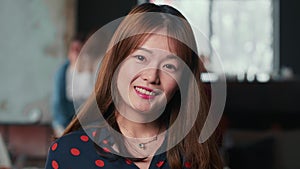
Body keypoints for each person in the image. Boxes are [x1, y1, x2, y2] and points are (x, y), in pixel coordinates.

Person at [45, 3, 223, 169]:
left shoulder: (197, 157)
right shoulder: (69, 154)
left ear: (182, 82)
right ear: (117, 63)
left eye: (169, 66)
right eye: (141, 58)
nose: (152, 76)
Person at [51, 34, 89, 137]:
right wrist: (68, 127)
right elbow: (58, 104)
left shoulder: (91, 69)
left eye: (79, 49)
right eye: (73, 49)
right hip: (65, 123)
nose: (76, 52)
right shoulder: (63, 72)